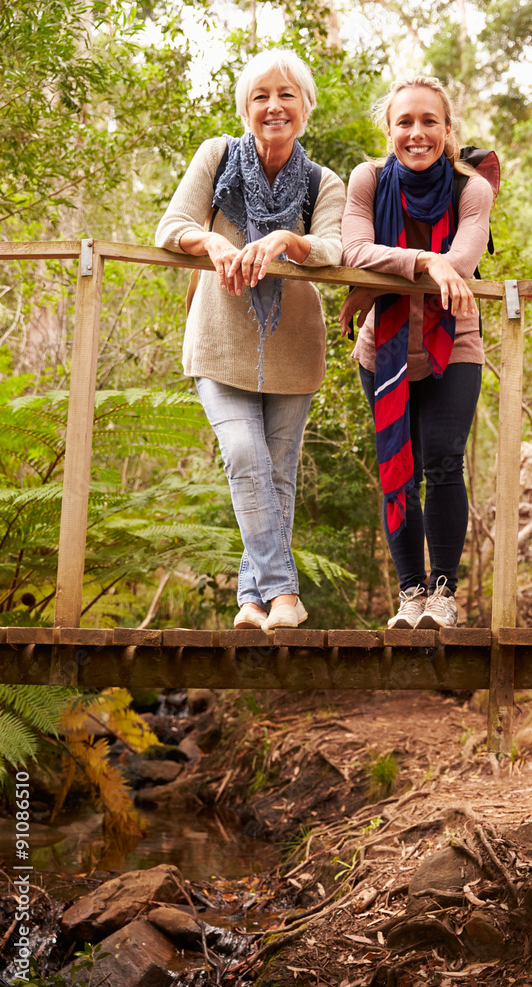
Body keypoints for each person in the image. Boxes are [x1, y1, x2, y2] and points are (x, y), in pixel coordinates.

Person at [156, 49, 345, 631]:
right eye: (261, 95)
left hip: (293, 348)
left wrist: (289, 238)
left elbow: (335, 248)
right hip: (218, 340)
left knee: (277, 471)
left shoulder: (321, 181)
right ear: (245, 107)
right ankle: (285, 595)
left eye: (287, 94)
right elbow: (171, 227)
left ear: (306, 106)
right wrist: (213, 245)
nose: (274, 106)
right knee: (245, 456)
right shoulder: (217, 157)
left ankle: (251, 597)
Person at [339, 76, 497, 630]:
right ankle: (410, 595)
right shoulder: (368, 179)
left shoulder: (470, 189)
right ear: (389, 129)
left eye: (429, 121)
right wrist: (426, 264)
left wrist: (383, 279)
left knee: (443, 459)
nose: (417, 132)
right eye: (404, 122)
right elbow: (354, 248)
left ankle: (443, 594)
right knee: (396, 469)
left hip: (456, 342)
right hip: (381, 346)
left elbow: (463, 257)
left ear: (448, 131)